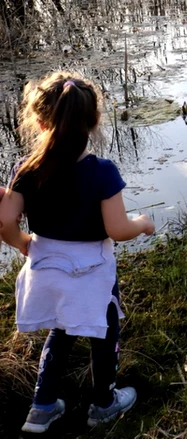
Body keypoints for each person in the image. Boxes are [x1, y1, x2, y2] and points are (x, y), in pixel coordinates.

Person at [0, 71, 155, 434]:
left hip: (46, 268)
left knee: (60, 330)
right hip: (92, 274)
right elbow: (117, 229)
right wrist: (143, 223)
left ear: (39, 121)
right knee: (104, 331)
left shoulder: (26, 170)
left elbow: (6, 221)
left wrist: (23, 243)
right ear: (94, 121)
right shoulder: (102, 173)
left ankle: (41, 408)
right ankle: (103, 403)